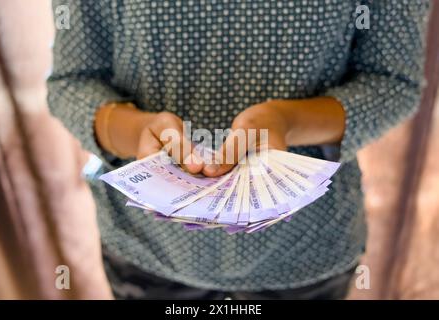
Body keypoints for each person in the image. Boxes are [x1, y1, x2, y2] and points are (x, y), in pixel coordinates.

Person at [48, 0, 430, 299]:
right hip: (148, 249)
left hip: (305, 249)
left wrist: (288, 121)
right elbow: (74, 81)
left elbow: (392, 82)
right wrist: (137, 132)